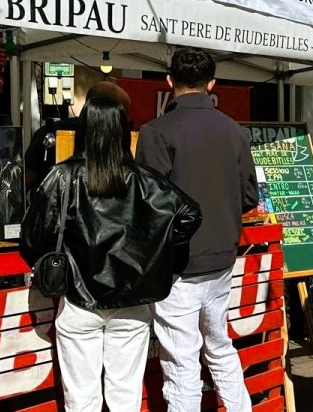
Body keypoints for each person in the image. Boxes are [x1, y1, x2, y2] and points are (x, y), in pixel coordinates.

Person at [21, 96, 202, 412]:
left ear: (84, 130)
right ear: (122, 131)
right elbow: (189, 214)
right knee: (125, 397)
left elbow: (32, 236)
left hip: (78, 300)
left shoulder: (62, 177)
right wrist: (157, 254)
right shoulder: (144, 179)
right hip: (132, 299)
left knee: (81, 400)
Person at [135, 48, 258, 412]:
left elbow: (148, 203)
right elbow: (250, 195)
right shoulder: (234, 131)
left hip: (177, 266)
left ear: (170, 82)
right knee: (220, 346)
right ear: (212, 84)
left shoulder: (156, 131)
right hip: (221, 259)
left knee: (182, 361)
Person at [24, 79, 132, 189]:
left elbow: (24, 182)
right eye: (124, 116)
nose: (126, 123)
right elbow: (25, 180)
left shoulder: (48, 133)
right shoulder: (49, 134)